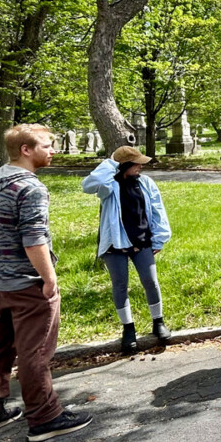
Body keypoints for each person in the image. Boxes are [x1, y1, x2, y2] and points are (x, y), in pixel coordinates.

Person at [0, 124, 93, 442]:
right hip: (26, 285)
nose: (53, 150)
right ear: (26, 150)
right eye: (47, 145)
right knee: (35, 351)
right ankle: (45, 418)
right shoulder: (30, 188)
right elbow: (33, 239)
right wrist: (49, 278)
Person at [81, 146, 172, 353]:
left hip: (142, 242)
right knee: (120, 285)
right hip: (115, 244)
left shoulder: (146, 183)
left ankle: (158, 322)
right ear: (124, 165)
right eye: (136, 163)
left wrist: (159, 239)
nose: (141, 166)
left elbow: (158, 210)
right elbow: (88, 185)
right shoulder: (108, 185)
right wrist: (111, 163)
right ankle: (128, 329)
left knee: (150, 281)